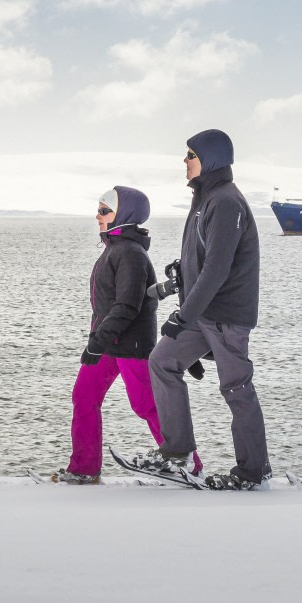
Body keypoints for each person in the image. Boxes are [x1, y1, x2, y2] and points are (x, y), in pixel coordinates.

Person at [134, 129, 271, 490]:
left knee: (236, 388)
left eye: (190, 155)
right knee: (162, 361)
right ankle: (177, 451)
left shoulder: (225, 202)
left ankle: (254, 473)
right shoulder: (206, 199)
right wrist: (181, 279)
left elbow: (218, 267)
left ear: (209, 159)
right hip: (201, 312)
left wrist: (183, 316)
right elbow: (202, 259)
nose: (184, 161)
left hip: (226, 315)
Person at [55, 187, 202, 484]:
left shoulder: (130, 253)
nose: (97, 216)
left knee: (146, 404)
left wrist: (97, 341)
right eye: (98, 209)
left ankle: (190, 465)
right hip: (109, 343)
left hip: (131, 345)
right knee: (84, 396)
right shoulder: (115, 249)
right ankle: (84, 469)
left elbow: (128, 305)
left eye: (104, 210)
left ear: (124, 215)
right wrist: (99, 340)